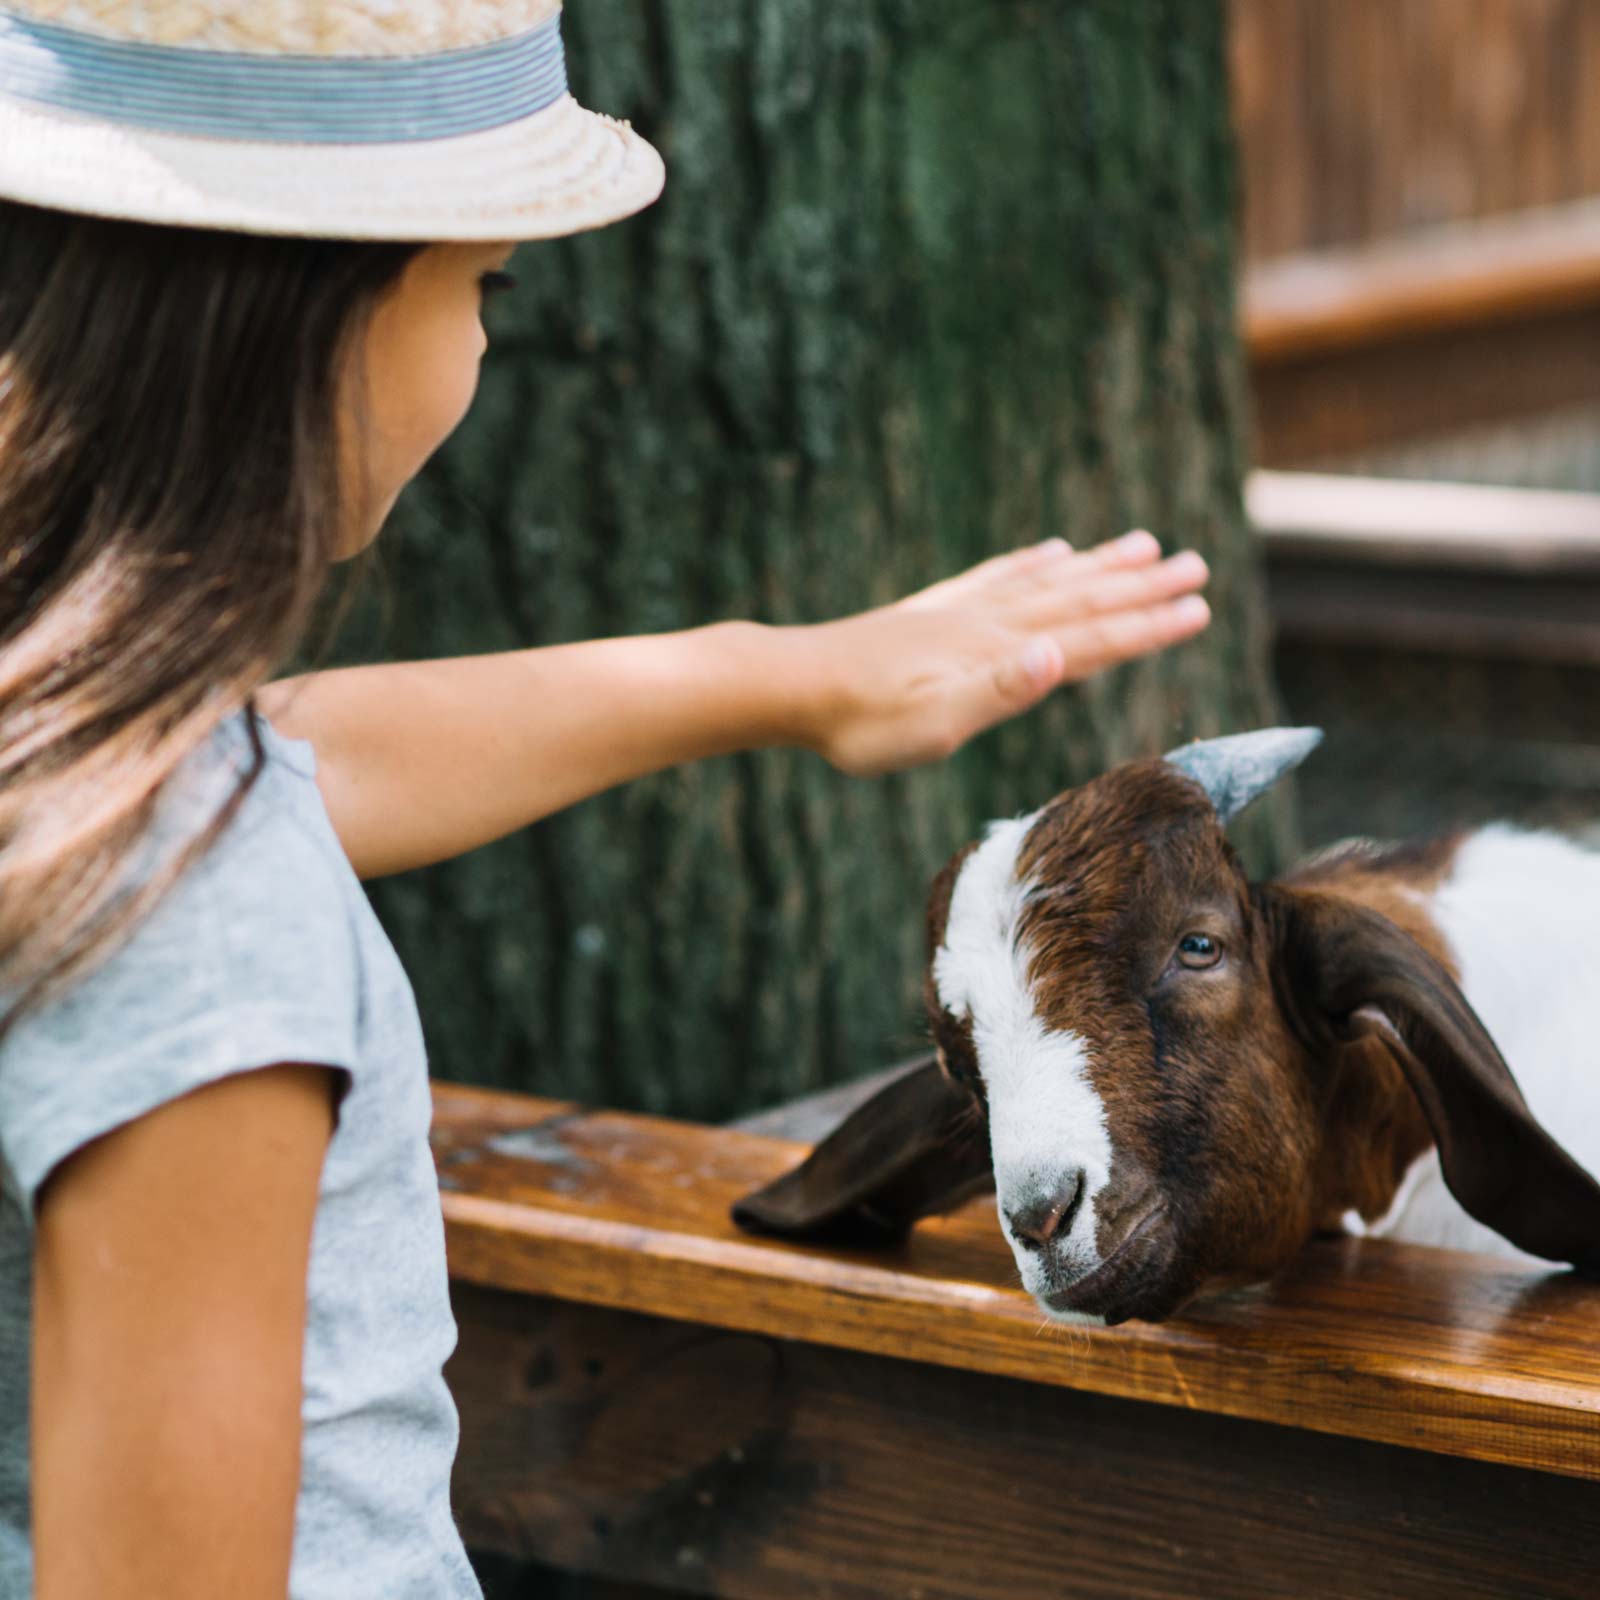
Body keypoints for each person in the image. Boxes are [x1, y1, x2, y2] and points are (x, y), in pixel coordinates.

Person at [0, 3, 1211, 1595]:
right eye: (478, 284)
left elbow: (297, 758)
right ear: (318, 318)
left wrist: (800, 678)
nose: (484, 345)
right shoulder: (199, 911)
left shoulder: (79, 756)